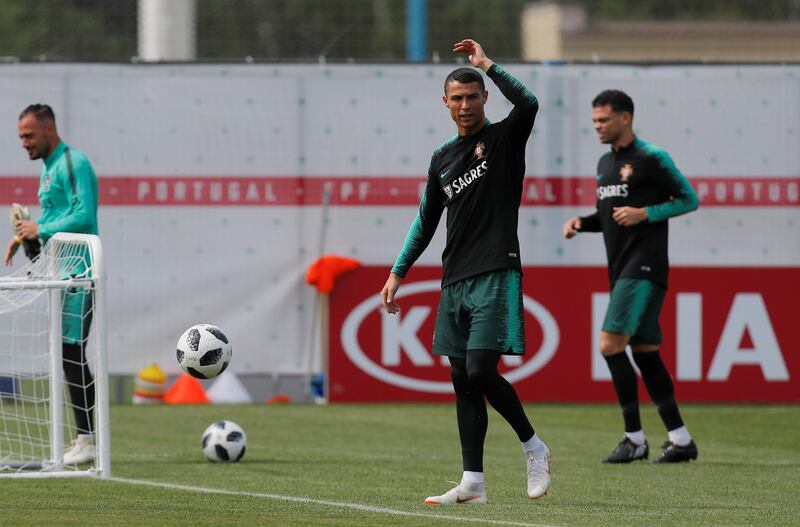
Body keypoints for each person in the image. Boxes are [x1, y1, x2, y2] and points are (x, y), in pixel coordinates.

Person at [380, 39, 550, 504]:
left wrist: (487, 64)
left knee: (479, 370)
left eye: (472, 96)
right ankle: (473, 483)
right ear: (445, 103)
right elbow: (425, 221)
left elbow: (530, 102)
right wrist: (398, 272)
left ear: (484, 99)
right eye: (456, 98)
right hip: (454, 277)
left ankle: (534, 446)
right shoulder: (442, 159)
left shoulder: (504, 138)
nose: (465, 105)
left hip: (497, 268)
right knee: (462, 380)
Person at [562, 90, 699, 464]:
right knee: (645, 351)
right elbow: (608, 214)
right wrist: (582, 223)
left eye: (603, 120)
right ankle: (681, 439)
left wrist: (646, 214)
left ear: (625, 117)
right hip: (621, 268)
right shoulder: (605, 163)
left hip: (645, 266)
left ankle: (634, 438)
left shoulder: (652, 157)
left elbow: (689, 199)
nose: (597, 127)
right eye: (594, 122)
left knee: (609, 344)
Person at [6, 104, 99, 465]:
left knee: (71, 352)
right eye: (20, 137)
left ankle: (88, 438)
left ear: (49, 128)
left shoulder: (74, 162)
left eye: (29, 135)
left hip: (80, 271)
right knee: (67, 353)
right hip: (61, 271)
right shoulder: (48, 170)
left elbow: (84, 214)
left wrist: (40, 228)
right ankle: (84, 437)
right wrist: (27, 235)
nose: (24, 143)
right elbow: (58, 216)